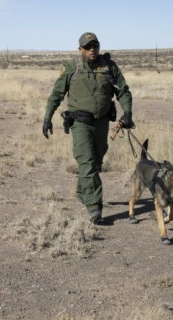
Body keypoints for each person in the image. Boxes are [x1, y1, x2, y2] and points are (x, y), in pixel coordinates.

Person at [42, 32, 134, 225]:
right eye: (88, 47)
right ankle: (95, 208)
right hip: (80, 124)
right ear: (80, 50)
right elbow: (56, 94)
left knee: (96, 163)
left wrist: (128, 113)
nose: (93, 50)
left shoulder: (109, 67)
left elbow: (123, 91)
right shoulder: (72, 67)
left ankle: (82, 192)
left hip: (101, 123)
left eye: (95, 46)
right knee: (86, 162)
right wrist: (47, 118)